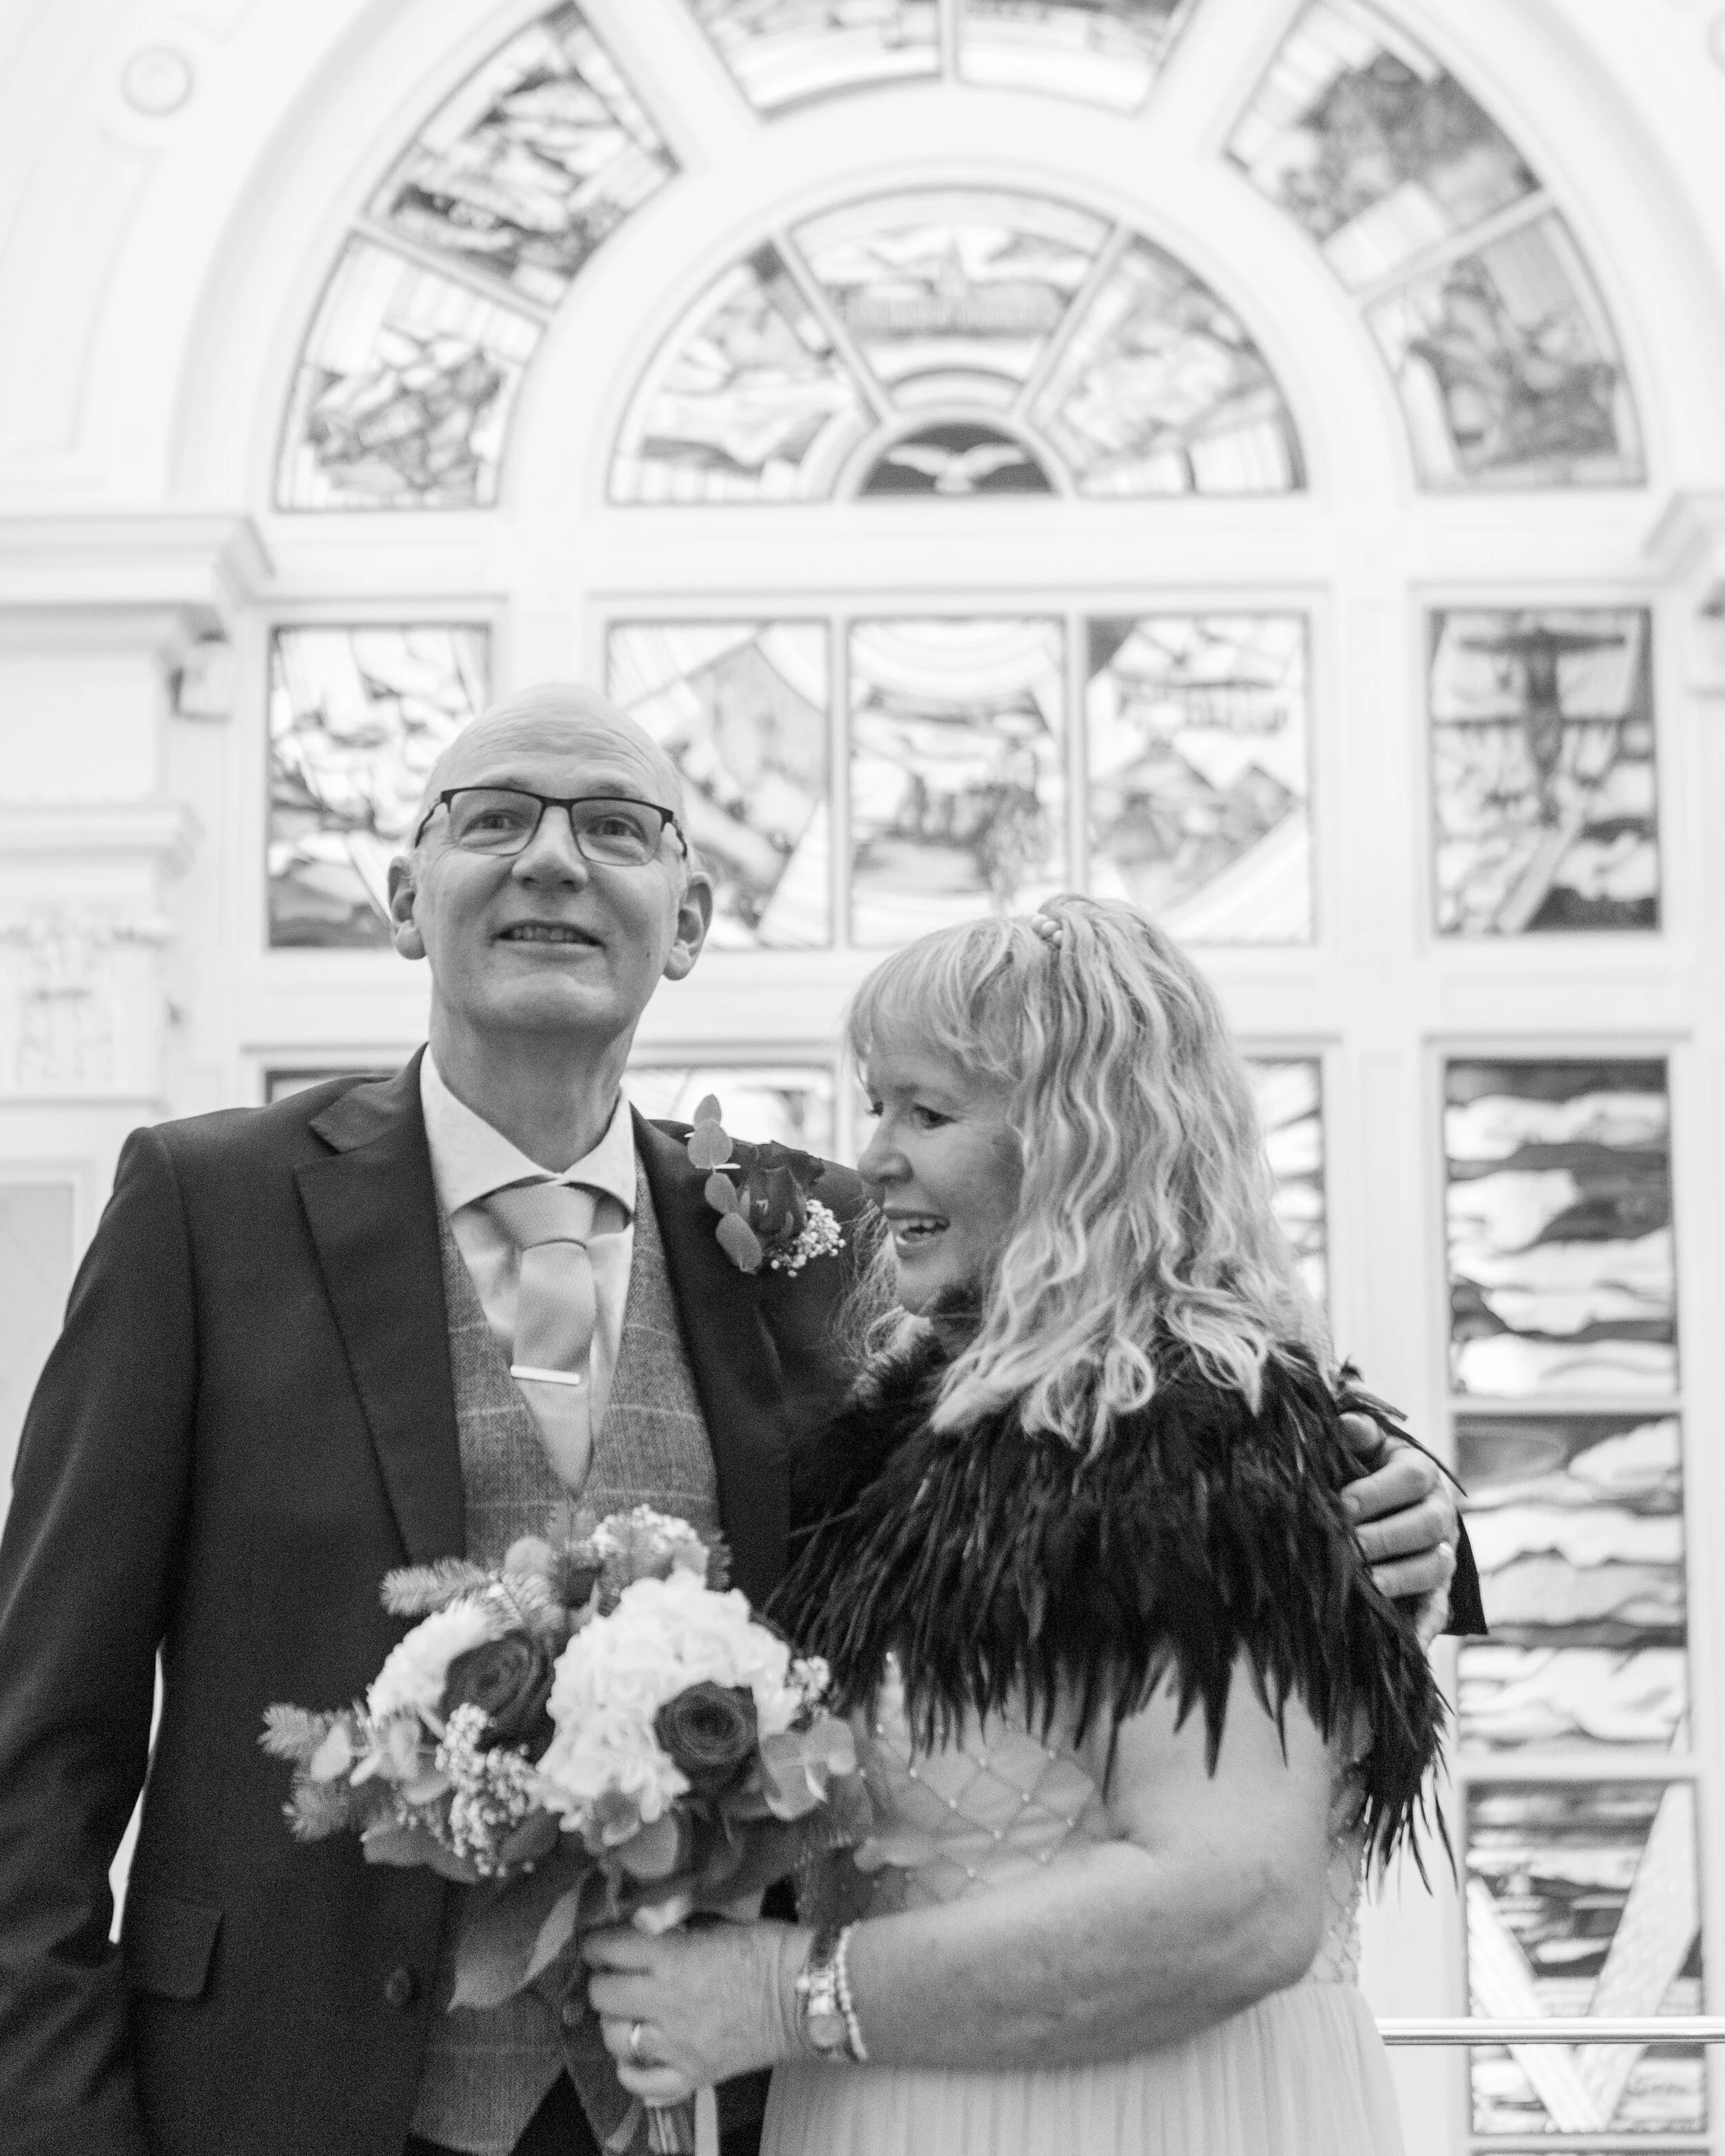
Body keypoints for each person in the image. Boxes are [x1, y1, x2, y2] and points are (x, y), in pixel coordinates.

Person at [0, 689, 1472, 2156]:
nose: (553, 859)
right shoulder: (207, 1210)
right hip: (286, 2094)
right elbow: (41, 1733)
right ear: (403, 898)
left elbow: (1142, 1375)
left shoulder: (829, 1233)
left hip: (729, 2102)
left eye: (615, 827)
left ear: (688, 918)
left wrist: (1400, 1496)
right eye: (494, 816)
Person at [584, 898, 1460, 2156]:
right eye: (875, 1102)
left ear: (1079, 1148)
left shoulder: (1192, 1434)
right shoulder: (919, 1440)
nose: (873, 1155)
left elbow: (1234, 1902)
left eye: (926, 1114)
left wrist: (788, 1994)